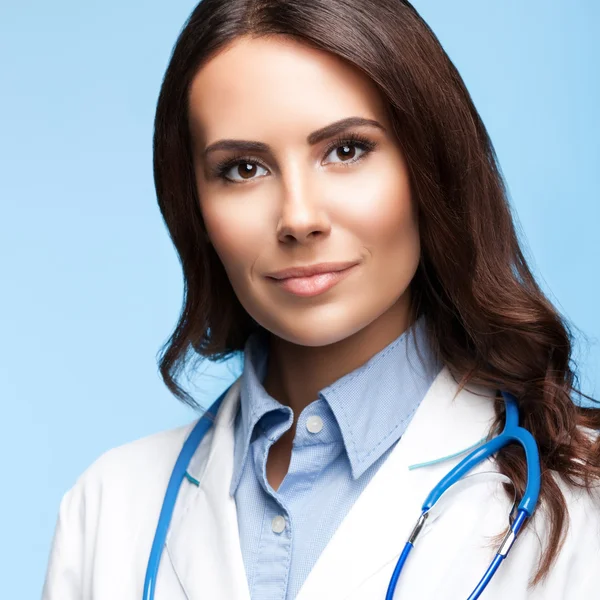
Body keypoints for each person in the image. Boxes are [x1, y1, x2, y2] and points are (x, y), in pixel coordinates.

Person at [42, 1, 600, 599]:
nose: (299, 218)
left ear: (429, 167)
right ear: (195, 209)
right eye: (243, 168)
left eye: (347, 150)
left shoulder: (582, 498)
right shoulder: (109, 509)